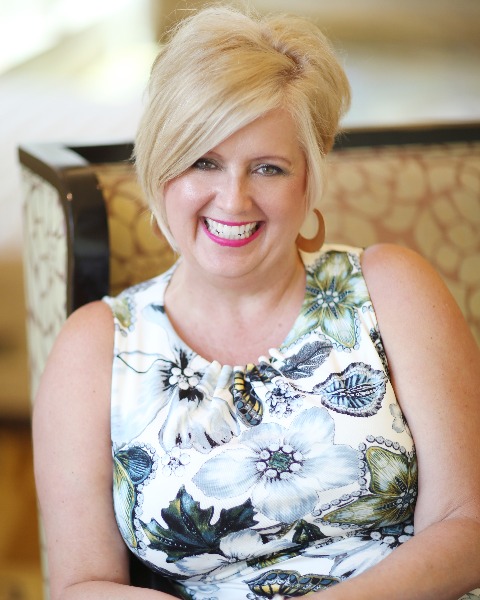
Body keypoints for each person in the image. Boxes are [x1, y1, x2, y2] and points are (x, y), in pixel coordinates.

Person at [33, 5, 480, 600]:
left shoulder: (392, 289)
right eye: (203, 162)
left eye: (268, 168)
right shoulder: (95, 347)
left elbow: (467, 525)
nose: (233, 200)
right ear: (161, 171)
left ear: (309, 180)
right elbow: (82, 585)